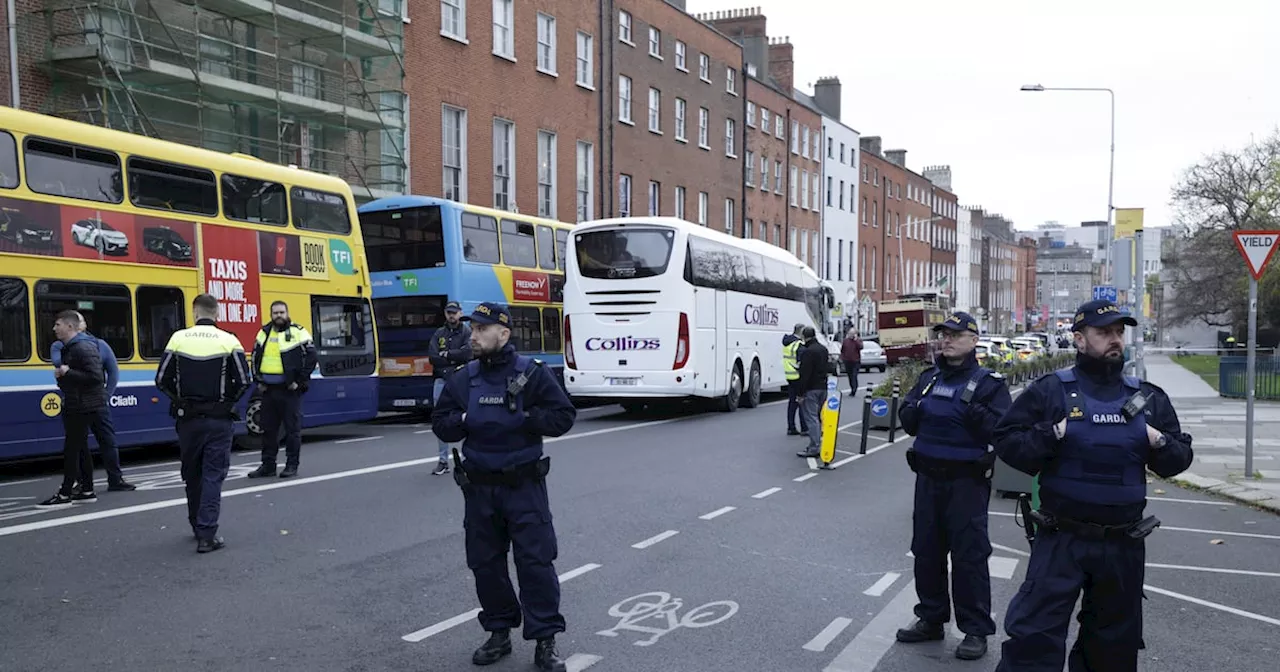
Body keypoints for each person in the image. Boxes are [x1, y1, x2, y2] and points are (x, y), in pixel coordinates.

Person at [992, 299, 1194, 671]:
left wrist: (1158, 441)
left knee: (1113, 646)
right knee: (1033, 640)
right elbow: (1008, 444)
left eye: (1119, 332)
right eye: (1104, 332)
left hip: (1122, 544)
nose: (1115, 339)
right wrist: (1052, 434)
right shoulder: (1051, 390)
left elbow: (1178, 459)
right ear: (1080, 340)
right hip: (1061, 539)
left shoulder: (1146, 397)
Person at [431, 302, 577, 672]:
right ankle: (499, 632)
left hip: (523, 486)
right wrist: (466, 418)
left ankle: (545, 640)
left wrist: (524, 418)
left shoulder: (532, 375)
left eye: (481, 330)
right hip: (480, 490)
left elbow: (563, 416)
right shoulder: (465, 378)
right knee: (486, 565)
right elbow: (442, 422)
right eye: (472, 329)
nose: (474, 336)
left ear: (504, 334)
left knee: (536, 564)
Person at [893, 311, 1011, 660]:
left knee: (969, 557)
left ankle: (975, 630)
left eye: (955, 335)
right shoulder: (929, 378)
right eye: (943, 335)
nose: (946, 340)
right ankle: (930, 618)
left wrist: (975, 413)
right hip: (928, 479)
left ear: (974, 340)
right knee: (926, 552)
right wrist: (910, 411)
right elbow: (910, 419)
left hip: (965, 484)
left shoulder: (990, 383)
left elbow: (1003, 432)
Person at [155, 293, 252, 553]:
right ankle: (207, 534)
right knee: (213, 475)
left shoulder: (178, 338)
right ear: (216, 313)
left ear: (195, 313)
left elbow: (161, 380)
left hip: (188, 420)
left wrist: (180, 401)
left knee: (192, 474)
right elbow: (244, 380)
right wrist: (227, 403)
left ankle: (196, 524)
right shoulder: (229, 340)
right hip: (219, 420)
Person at [51, 317, 135, 492]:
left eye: (80, 321)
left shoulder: (99, 345)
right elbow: (58, 364)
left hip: (95, 401)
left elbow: (112, 371)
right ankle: (83, 483)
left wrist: (106, 395)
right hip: (77, 401)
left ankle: (114, 479)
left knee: (107, 440)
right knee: (78, 444)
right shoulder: (61, 346)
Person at [37, 311, 108, 507]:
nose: (54, 328)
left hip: (82, 405)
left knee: (72, 449)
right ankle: (86, 489)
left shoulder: (82, 347)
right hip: (78, 402)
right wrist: (63, 377)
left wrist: (69, 372)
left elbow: (96, 377)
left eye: (57, 324)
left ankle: (66, 492)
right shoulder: (72, 347)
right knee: (81, 448)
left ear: (70, 326)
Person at [247, 301, 317, 479]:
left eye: (282, 312)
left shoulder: (298, 332)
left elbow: (311, 358)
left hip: (289, 390)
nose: (279, 316)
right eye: (275, 313)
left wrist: (299, 382)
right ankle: (268, 465)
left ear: (287, 313)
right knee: (268, 430)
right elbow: (255, 357)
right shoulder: (263, 332)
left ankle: (291, 465)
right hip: (268, 390)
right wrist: (258, 381)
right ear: (271, 314)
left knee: (292, 430)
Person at [427, 300, 472, 476]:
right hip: (441, 380)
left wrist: (447, 355)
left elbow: (468, 353)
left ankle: (468, 458)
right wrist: (453, 358)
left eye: (454, 312)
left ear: (460, 313)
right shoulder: (439, 333)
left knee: (467, 417)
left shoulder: (467, 332)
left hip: (460, 380)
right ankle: (443, 461)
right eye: (448, 312)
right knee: (439, 419)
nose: (451, 315)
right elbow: (432, 357)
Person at [793, 326, 828, 459]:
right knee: (818, 417)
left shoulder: (808, 352)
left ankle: (814, 447)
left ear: (804, 337)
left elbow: (805, 374)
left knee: (811, 418)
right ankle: (818, 444)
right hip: (823, 387)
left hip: (811, 389)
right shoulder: (823, 349)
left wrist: (800, 393)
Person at [782, 323, 809, 436]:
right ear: (801, 332)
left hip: (789, 376)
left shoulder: (787, 343)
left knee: (792, 403)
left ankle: (791, 427)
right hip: (798, 376)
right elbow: (801, 363)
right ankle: (804, 428)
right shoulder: (798, 345)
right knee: (802, 402)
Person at [840, 328, 863, 395]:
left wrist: (856, 340)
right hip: (847, 361)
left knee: (854, 375)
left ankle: (854, 389)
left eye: (853, 334)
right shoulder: (845, 341)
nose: (851, 335)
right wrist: (843, 358)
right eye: (850, 333)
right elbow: (842, 350)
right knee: (850, 376)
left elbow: (861, 347)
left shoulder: (858, 340)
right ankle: (852, 387)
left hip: (856, 361)